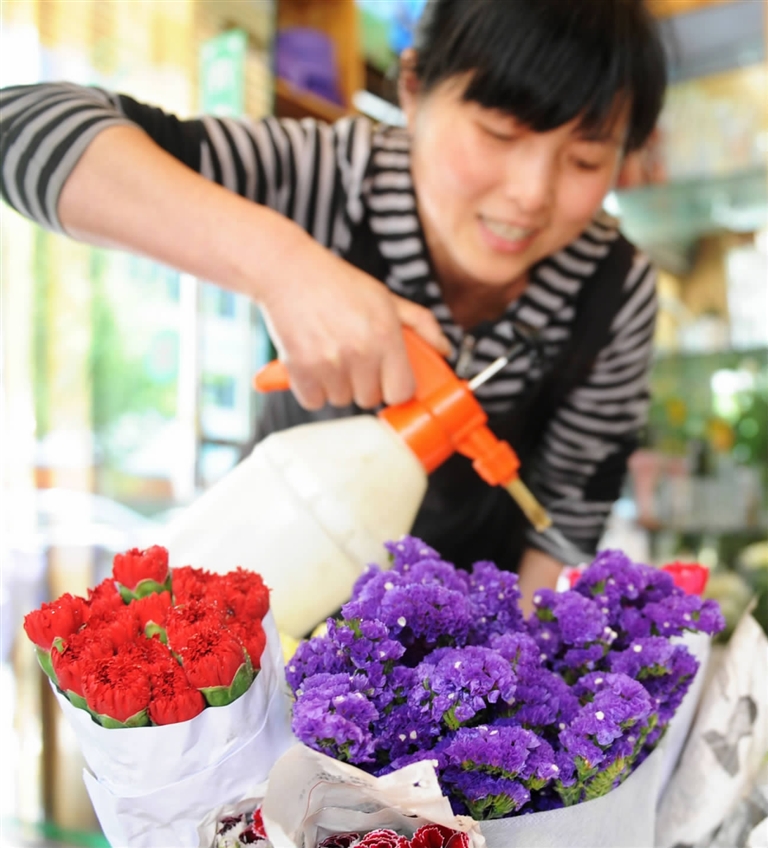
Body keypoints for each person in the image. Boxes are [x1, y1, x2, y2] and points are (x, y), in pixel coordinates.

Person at [0, 0, 666, 611]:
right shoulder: (329, 177)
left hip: (467, 648)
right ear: (412, 91)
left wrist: (506, 693)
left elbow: (565, 523)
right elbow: (22, 127)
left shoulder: (614, 288)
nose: (531, 194)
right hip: (259, 610)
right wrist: (281, 264)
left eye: (583, 160)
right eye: (498, 133)